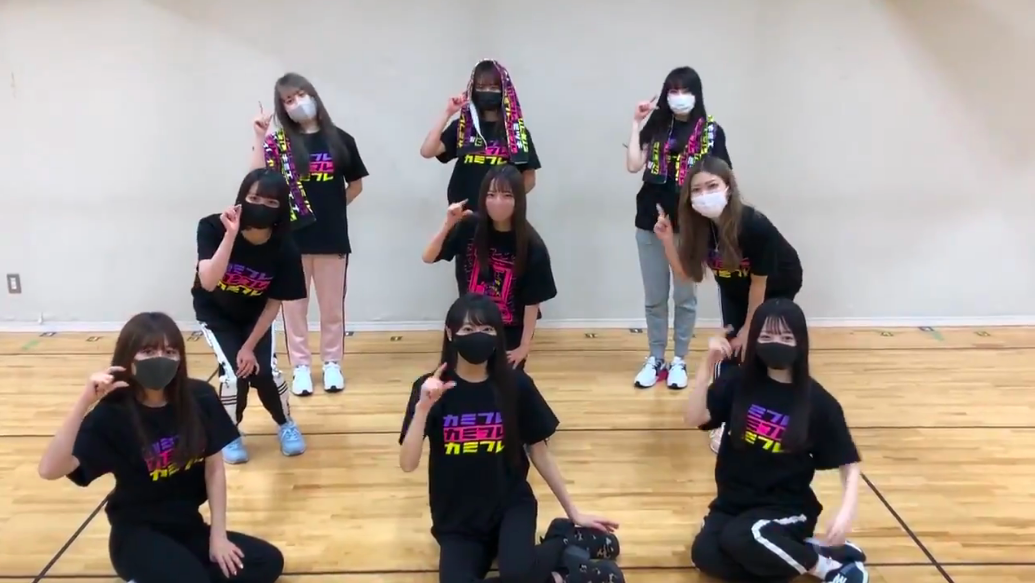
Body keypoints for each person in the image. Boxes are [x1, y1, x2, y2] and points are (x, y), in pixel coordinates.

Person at [37, 312, 285, 583]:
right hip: (137, 536)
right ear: (128, 358)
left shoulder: (199, 397)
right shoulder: (113, 414)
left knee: (267, 561)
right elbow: (50, 470)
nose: (160, 358)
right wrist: (84, 401)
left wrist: (218, 537)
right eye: (148, 351)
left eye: (169, 351)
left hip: (188, 527)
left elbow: (214, 469)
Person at [398, 293, 625, 583]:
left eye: (487, 329)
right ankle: (562, 574)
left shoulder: (515, 384)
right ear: (450, 333)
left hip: (510, 507)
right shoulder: (430, 389)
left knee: (517, 574)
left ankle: (567, 539)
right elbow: (408, 464)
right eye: (468, 329)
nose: (478, 336)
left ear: (498, 335)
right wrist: (423, 408)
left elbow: (539, 451)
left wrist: (574, 512)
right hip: (458, 522)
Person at [685, 299, 870, 583]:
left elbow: (848, 462)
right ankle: (794, 550)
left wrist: (846, 512)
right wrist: (706, 366)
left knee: (743, 538)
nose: (776, 344)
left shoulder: (818, 401)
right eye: (767, 336)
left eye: (786, 337)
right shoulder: (737, 382)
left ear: (800, 342)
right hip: (733, 503)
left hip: (787, 508)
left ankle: (828, 567)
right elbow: (695, 417)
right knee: (705, 554)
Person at [654, 155, 802, 452]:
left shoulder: (754, 226)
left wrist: (749, 328)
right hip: (735, 288)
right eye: (697, 189)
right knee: (729, 352)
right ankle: (728, 419)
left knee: (761, 347)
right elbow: (686, 274)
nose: (704, 194)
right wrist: (667, 240)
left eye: (712, 186)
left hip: (775, 286)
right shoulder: (698, 227)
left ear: (728, 188)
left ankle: (780, 416)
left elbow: (759, 285)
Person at [249, 72, 370, 397]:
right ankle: (301, 367)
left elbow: (355, 185)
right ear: (283, 108)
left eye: (301, 95)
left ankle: (332, 364)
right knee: (294, 310)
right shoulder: (280, 143)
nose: (297, 103)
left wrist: (332, 208)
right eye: (289, 100)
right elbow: (257, 178)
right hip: (292, 242)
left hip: (332, 239)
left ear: (313, 95)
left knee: (332, 310)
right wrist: (260, 135)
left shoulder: (341, 140)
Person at [625, 66, 732, 391]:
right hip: (651, 221)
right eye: (673, 91)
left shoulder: (711, 131)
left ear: (696, 94)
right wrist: (636, 123)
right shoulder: (657, 125)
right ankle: (655, 357)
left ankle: (679, 360)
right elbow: (633, 164)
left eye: (685, 90)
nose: (679, 97)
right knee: (655, 297)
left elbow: (723, 175)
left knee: (685, 296)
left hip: (690, 226)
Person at [193, 168, 309, 464]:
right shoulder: (212, 227)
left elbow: (273, 303)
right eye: (254, 198)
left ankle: (285, 423)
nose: (261, 206)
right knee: (234, 375)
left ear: (281, 208)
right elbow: (208, 281)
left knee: (266, 372)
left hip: (255, 317)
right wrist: (231, 236)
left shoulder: (285, 248)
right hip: (216, 315)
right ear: (242, 198)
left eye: (271, 202)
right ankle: (229, 433)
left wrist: (248, 346)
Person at [422, 165, 557, 368]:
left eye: (507, 195)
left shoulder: (532, 245)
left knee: (504, 386)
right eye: (491, 195)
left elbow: (532, 303)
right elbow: (428, 257)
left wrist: (524, 346)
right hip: (467, 326)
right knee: (458, 383)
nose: (498, 202)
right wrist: (448, 223)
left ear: (519, 200)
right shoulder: (469, 226)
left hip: (507, 334)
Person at [419, 59, 541, 211]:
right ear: (473, 90)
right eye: (481, 87)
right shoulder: (463, 126)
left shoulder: (516, 131)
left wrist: (504, 202)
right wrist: (448, 112)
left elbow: (529, 178)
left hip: (498, 217)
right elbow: (427, 151)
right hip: (462, 214)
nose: (487, 92)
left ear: (503, 90)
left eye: (493, 87)